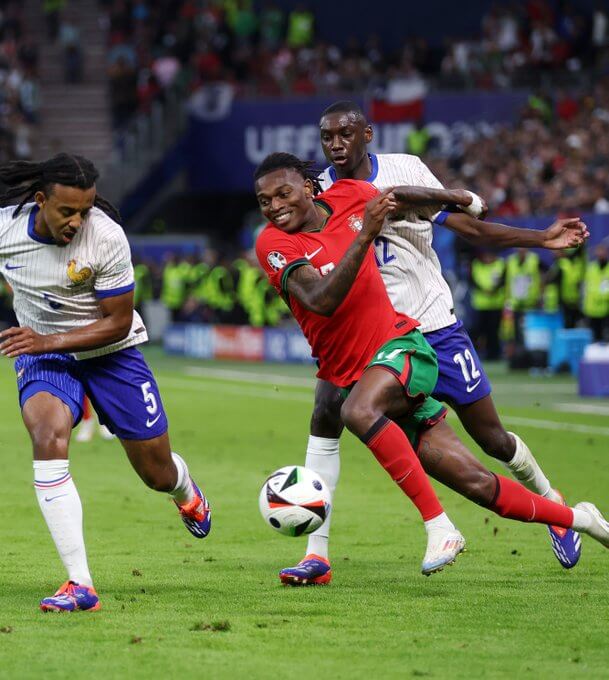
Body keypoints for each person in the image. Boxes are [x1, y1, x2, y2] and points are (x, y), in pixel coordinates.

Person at [254, 152, 609, 582]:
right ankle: (581, 519)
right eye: (264, 200)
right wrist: (365, 235)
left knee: (359, 413)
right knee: (478, 485)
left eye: (283, 193)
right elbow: (320, 300)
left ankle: (439, 527)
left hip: (404, 345)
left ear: (309, 188)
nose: (274, 206)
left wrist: (456, 196)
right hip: (353, 370)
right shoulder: (273, 243)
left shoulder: (351, 196)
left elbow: (399, 196)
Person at [0, 154, 211, 612]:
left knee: (156, 473)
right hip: (45, 355)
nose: (78, 220)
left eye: (86, 209)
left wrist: (47, 337)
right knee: (46, 435)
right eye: (67, 211)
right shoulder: (5, 231)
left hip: (111, 353)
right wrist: (42, 339)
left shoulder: (107, 237)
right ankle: (80, 584)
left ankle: (186, 491)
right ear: (41, 201)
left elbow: (116, 323)